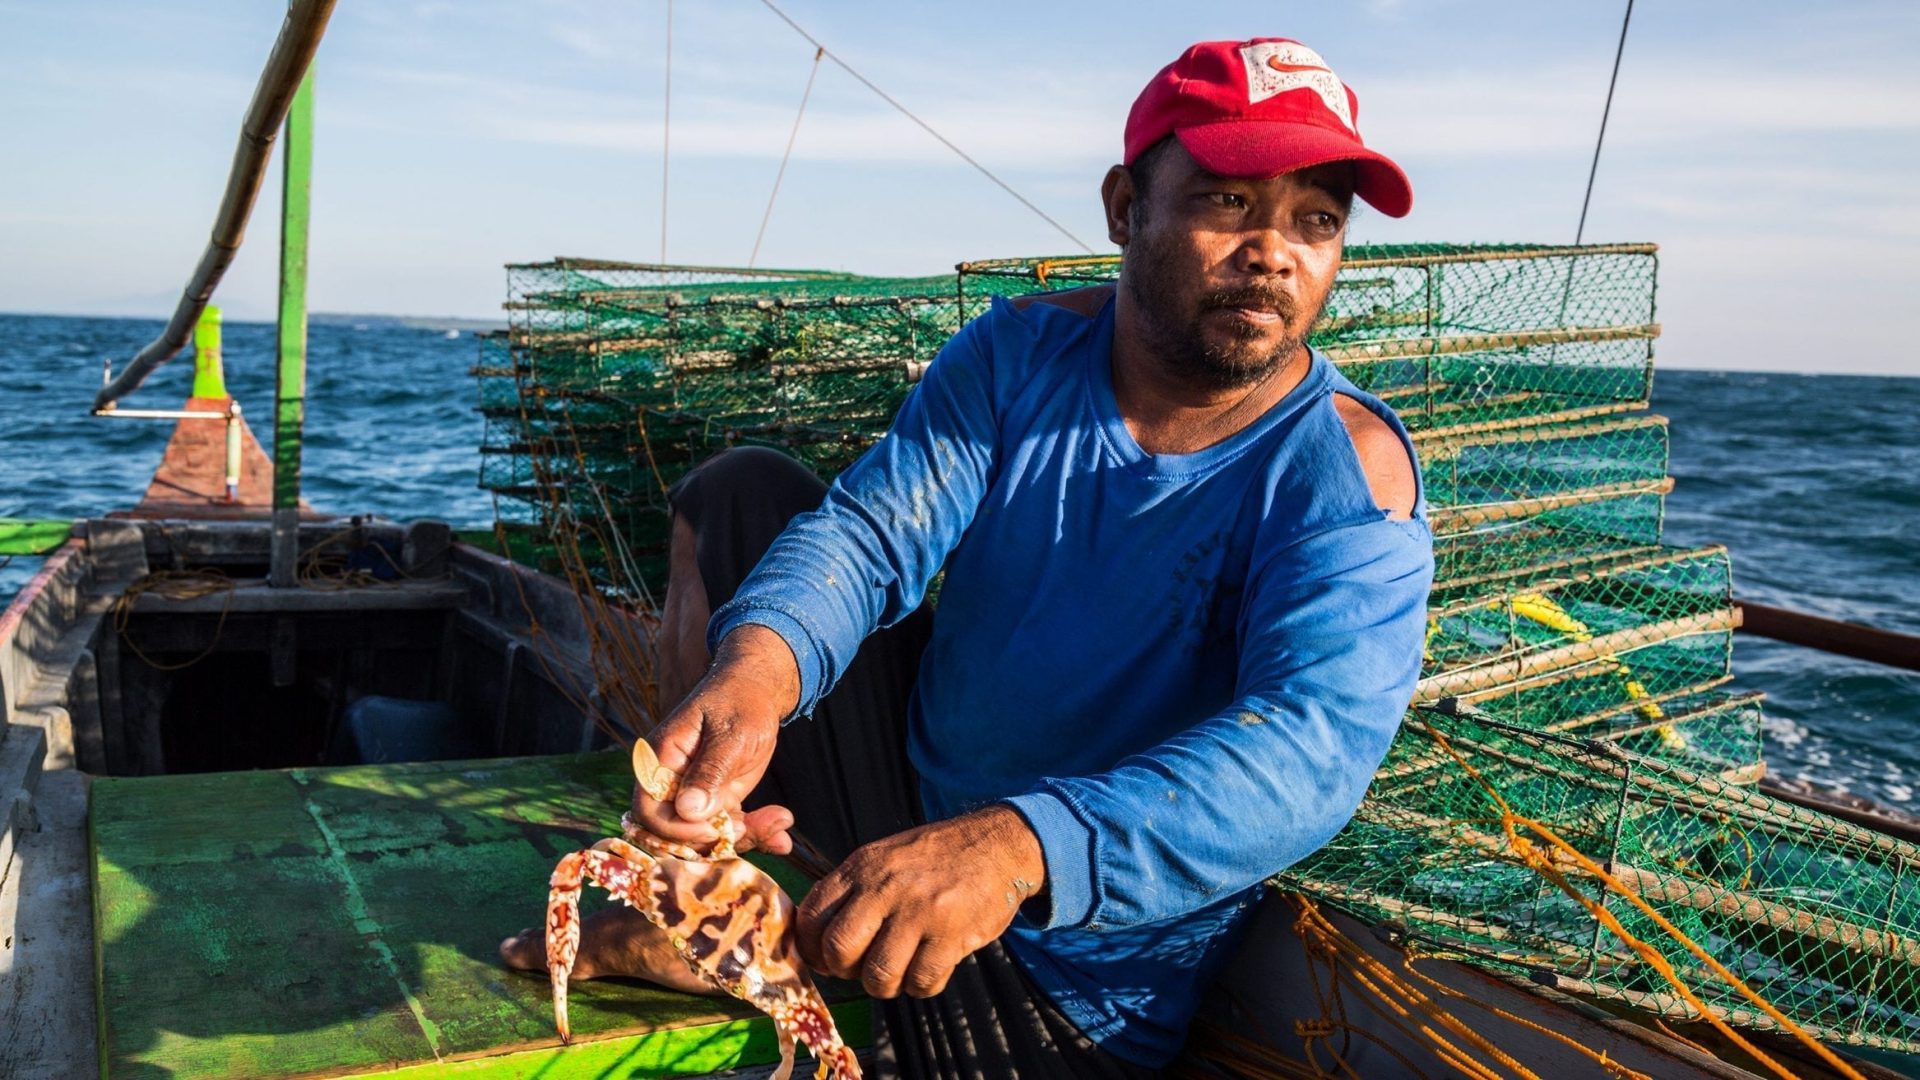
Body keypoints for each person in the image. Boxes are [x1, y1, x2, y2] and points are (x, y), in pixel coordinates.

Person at [502, 36, 1433, 1077]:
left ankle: (789, 941)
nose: (1276, 251)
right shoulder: (1018, 353)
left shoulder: (1346, 472)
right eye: (1228, 203)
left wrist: (1017, 845)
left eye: (1317, 219)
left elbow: (1308, 749)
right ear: (1127, 208)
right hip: (911, 792)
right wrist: (755, 675)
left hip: (1065, 968)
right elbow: (867, 536)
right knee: (742, 494)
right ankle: (711, 876)